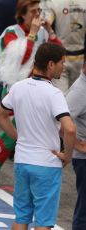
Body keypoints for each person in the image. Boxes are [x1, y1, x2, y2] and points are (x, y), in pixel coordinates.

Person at [0, 42, 75, 230]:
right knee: (43, 222)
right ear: (50, 65)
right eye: (62, 62)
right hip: (46, 164)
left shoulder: (19, 87)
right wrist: (67, 156)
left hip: (22, 161)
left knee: (21, 217)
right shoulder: (55, 94)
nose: (64, 66)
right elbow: (69, 129)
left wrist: (18, 137)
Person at [0, 0, 62, 186]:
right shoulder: (10, 33)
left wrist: (50, 31)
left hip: (39, 90)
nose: (38, 16)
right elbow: (18, 61)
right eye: (33, 12)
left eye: (39, 11)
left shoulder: (42, 32)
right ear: (23, 14)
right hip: (15, 90)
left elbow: (59, 53)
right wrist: (33, 35)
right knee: (11, 136)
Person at [41, 0, 86, 93]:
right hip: (77, 58)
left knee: (60, 96)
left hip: (60, 58)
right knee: (77, 98)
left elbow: (45, 23)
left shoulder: (53, 3)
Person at [66, 63, 86, 230]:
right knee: (84, 211)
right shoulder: (79, 91)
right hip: (84, 161)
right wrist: (79, 146)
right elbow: (61, 123)